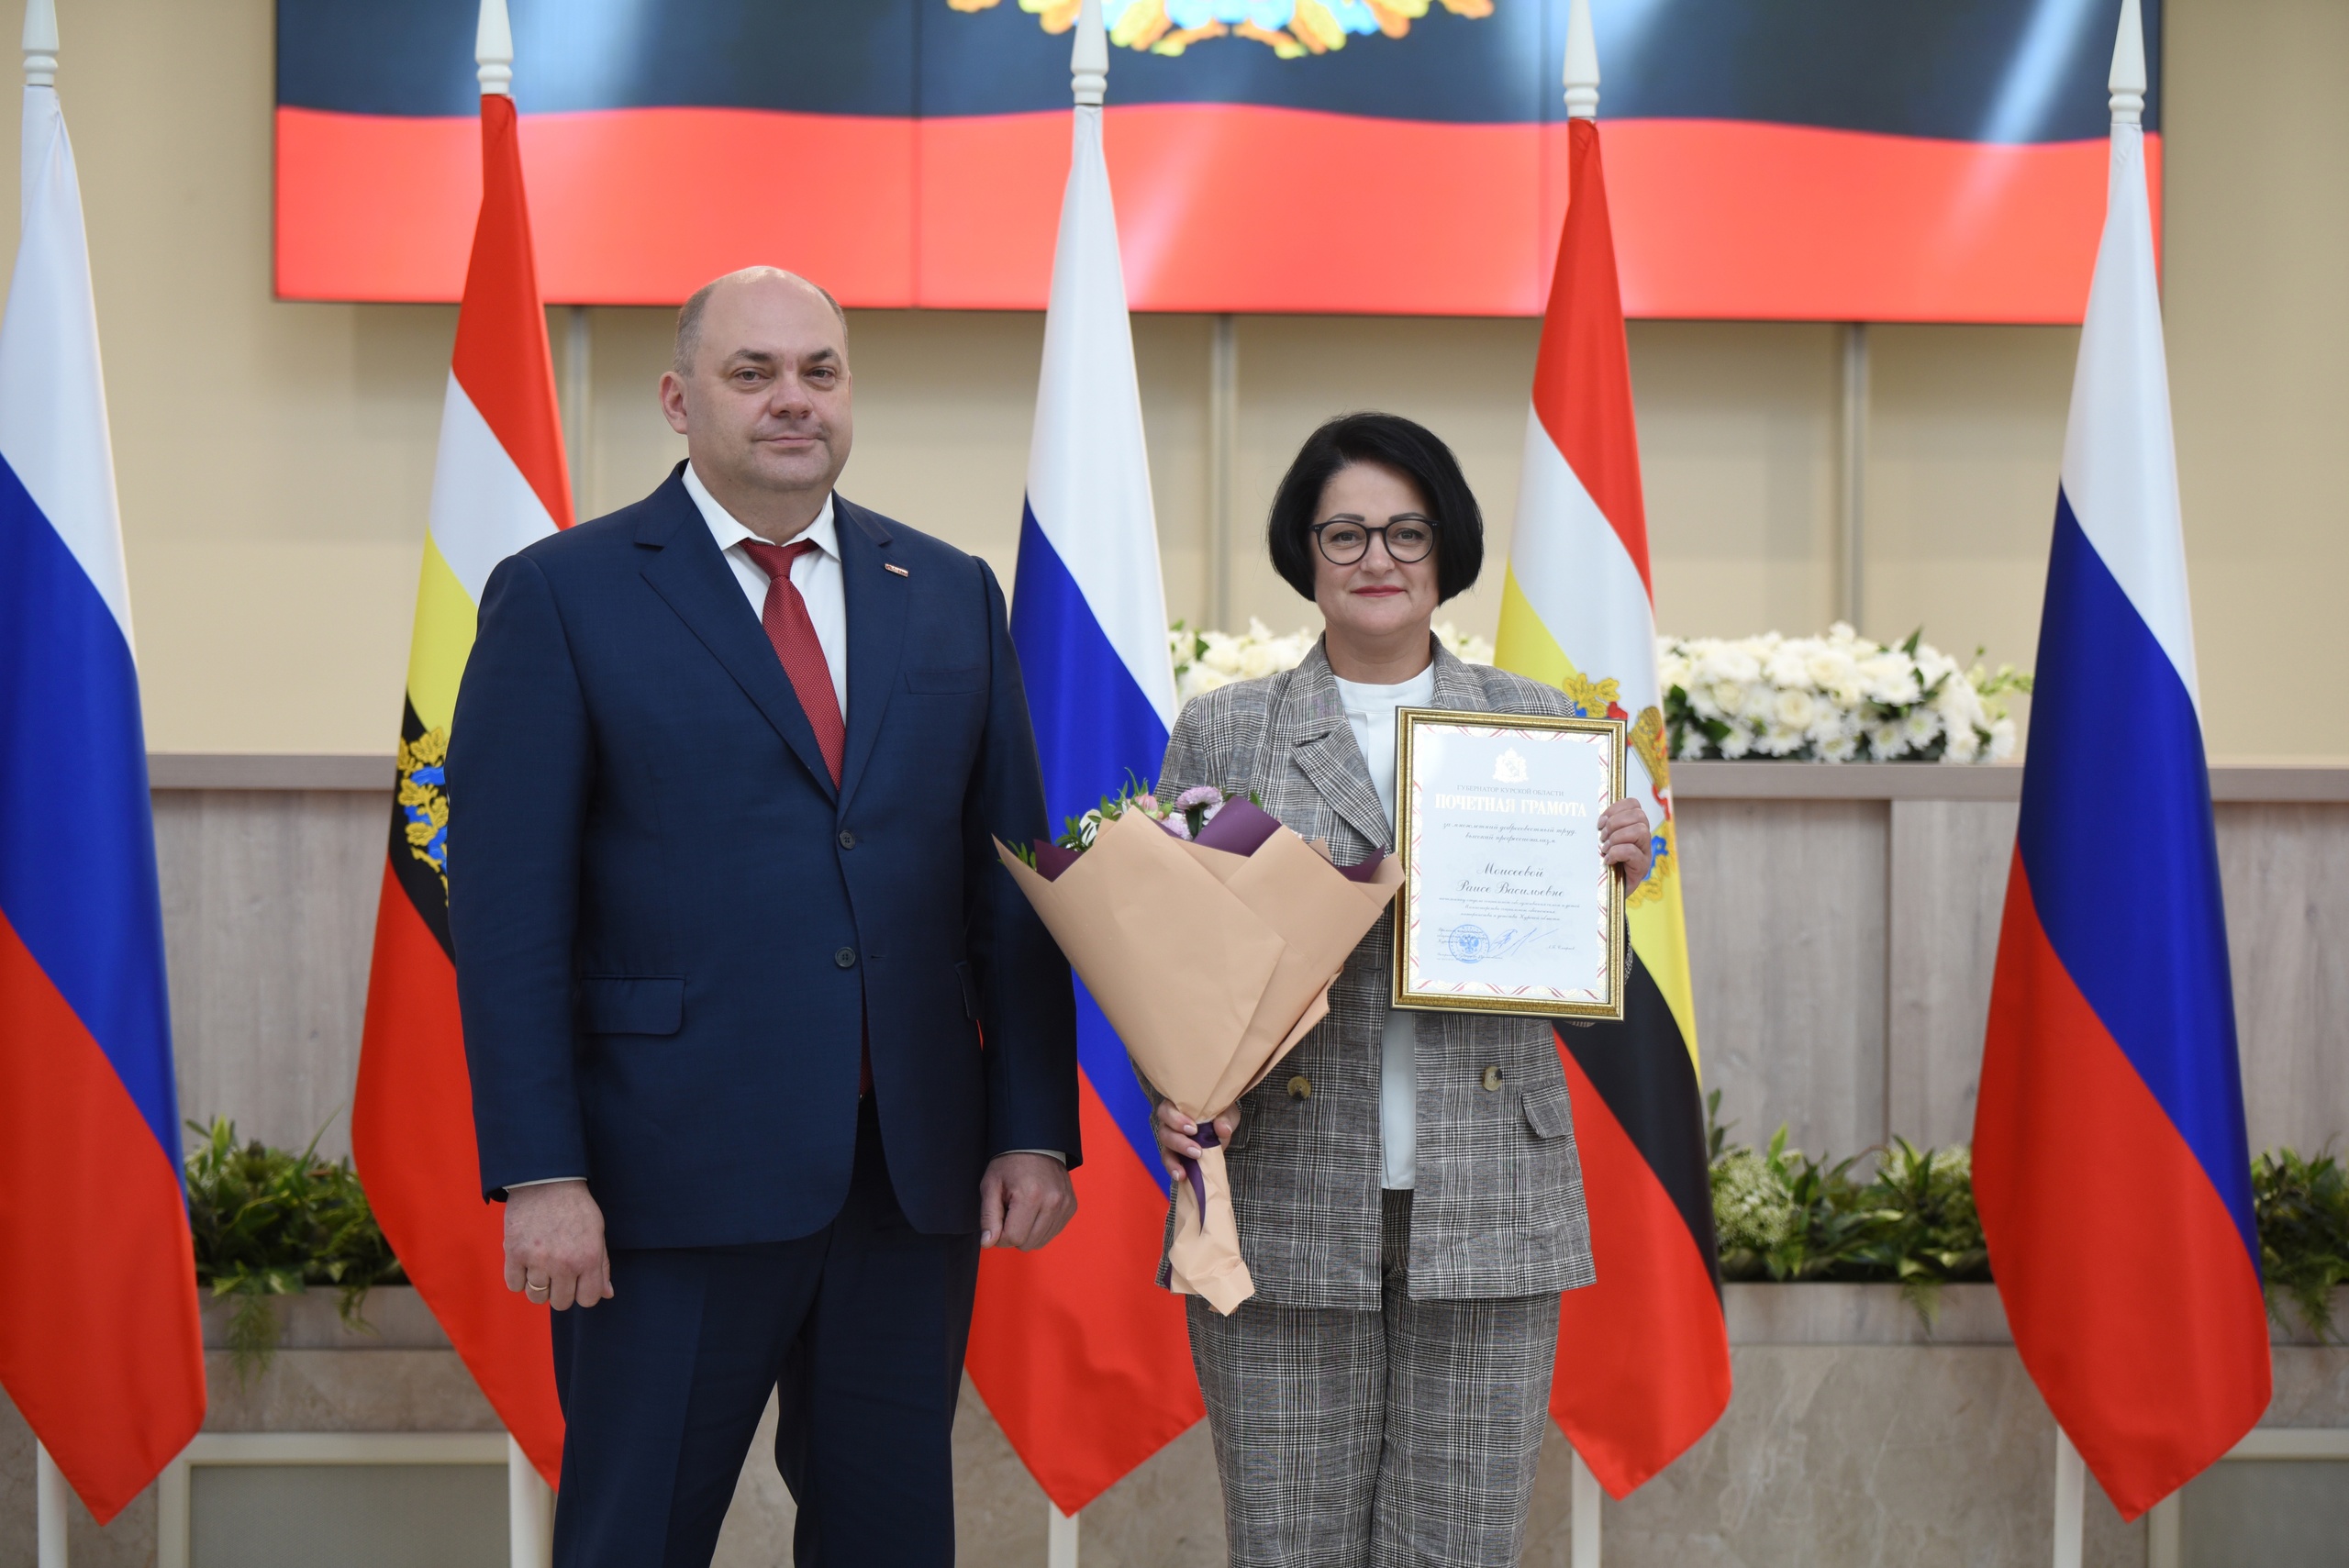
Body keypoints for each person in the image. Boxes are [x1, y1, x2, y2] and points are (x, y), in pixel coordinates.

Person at [446, 267, 1080, 1567]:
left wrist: (1030, 1125)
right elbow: (508, 915)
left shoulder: (948, 589)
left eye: (819, 371)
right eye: (753, 373)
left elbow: (1008, 887)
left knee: (890, 1539)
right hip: (660, 1178)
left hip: (905, 1177)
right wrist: (542, 1171)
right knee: (634, 1535)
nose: (793, 398)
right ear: (680, 400)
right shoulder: (562, 593)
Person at [1152, 412, 1653, 1566]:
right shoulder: (1225, 729)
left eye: (1406, 531)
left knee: (1458, 1547)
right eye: (1345, 533)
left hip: (1488, 1196)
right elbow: (1168, 953)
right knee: (1285, 1541)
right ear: (1305, 551)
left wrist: (1614, 890)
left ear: (1446, 548)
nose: (1376, 557)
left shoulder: (1543, 724)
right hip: (1279, 1190)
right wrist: (1174, 1088)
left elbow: (1586, 978)